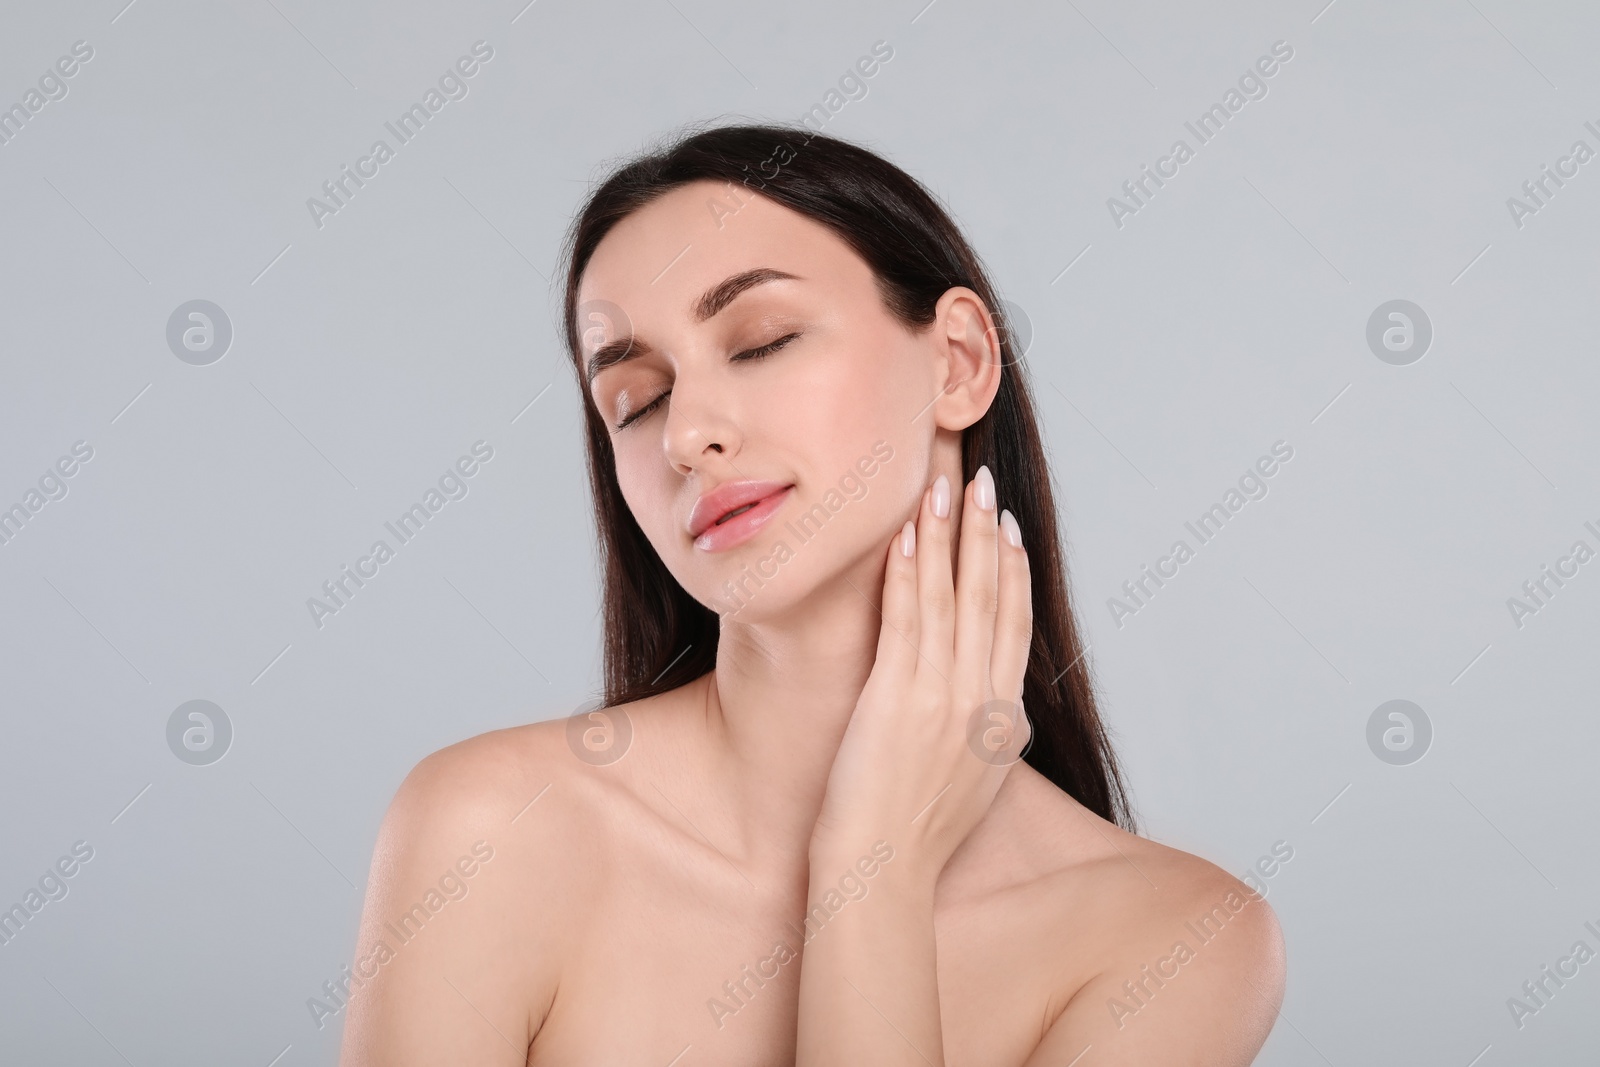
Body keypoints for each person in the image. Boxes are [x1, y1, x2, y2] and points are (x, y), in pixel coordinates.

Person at [338, 122, 1286, 1066]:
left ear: (956, 360)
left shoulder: (1182, 940)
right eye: (637, 399)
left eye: (761, 341)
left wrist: (872, 866)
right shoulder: (490, 833)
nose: (688, 436)